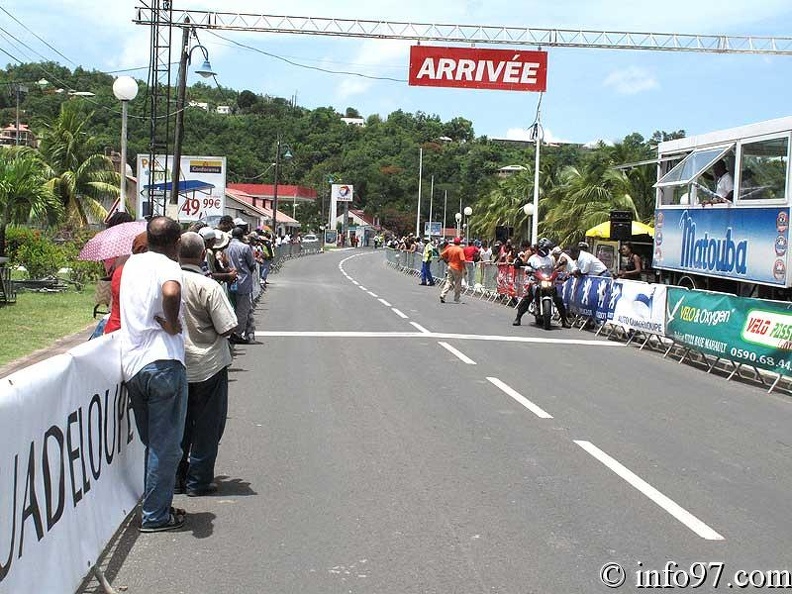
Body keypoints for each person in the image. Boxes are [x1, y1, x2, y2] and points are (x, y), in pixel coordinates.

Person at [119, 216, 187, 533]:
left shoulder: (133, 264)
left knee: (152, 443)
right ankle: (155, 516)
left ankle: (155, 505)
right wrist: (172, 324)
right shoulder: (168, 266)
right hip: (162, 362)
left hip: (133, 365)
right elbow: (171, 293)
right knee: (166, 446)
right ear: (176, 243)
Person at [175, 232, 238, 497]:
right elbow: (228, 326)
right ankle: (198, 480)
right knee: (207, 425)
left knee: (179, 425)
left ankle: (176, 477)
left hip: (177, 363)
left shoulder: (166, 281)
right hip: (208, 364)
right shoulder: (208, 286)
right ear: (202, 255)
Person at [512, 238, 570, 327]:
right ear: (540, 248)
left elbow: (554, 268)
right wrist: (529, 271)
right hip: (536, 282)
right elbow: (527, 268)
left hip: (548, 281)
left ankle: (564, 320)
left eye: (548, 248)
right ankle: (518, 318)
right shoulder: (533, 258)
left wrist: (557, 271)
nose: (547, 250)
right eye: (546, 248)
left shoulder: (550, 258)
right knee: (527, 298)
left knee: (558, 299)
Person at [104, 231, 148, 334]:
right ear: (144, 249)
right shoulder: (141, 272)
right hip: (127, 333)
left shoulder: (121, 269)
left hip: (114, 328)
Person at [225, 226, 258, 344]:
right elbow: (251, 264)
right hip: (243, 280)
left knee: (233, 307)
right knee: (242, 309)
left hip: (230, 280)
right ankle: (237, 334)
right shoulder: (245, 247)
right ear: (242, 235)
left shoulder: (226, 247)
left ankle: (233, 331)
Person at [439, 236, 466, 303]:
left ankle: (443, 295)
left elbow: (442, 255)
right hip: (457, 268)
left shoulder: (450, 248)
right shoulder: (460, 250)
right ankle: (456, 298)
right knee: (457, 284)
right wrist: (464, 269)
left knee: (448, 282)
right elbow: (462, 260)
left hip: (450, 267)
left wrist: (446, 261)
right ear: (460, 243)